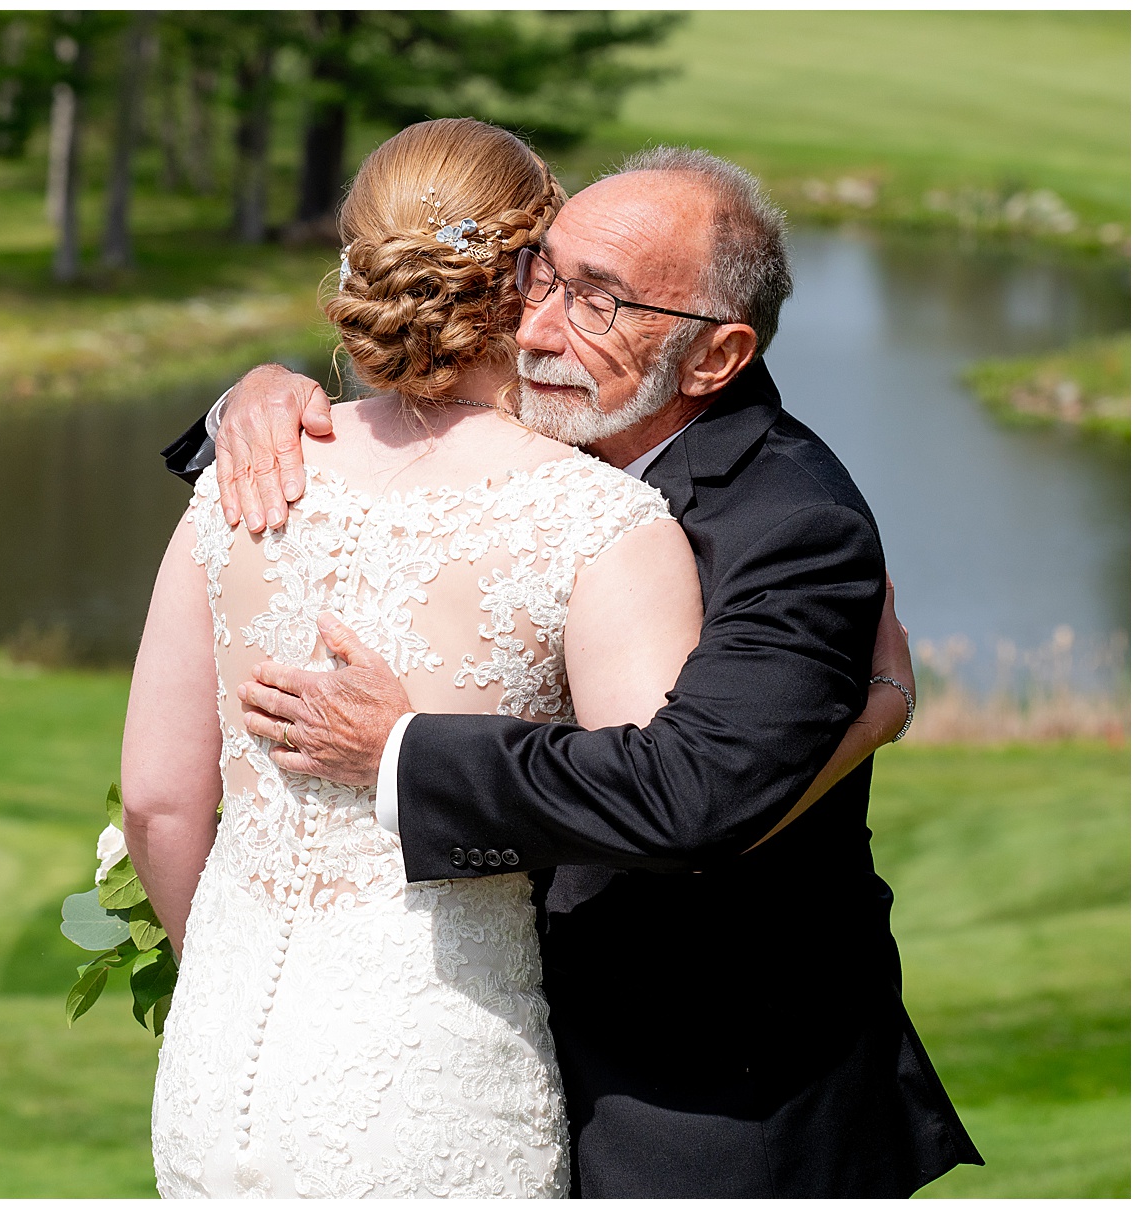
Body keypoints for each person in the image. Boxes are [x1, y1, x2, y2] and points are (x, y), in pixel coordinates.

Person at [167, 147, 983, 1197]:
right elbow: (389, 484)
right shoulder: (573, 429)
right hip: (484, 1046)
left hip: (706, 1103)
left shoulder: (791, 525)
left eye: (599, 304)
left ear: (714, 356)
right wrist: (253, 400)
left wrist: (402, 750)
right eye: (541, 276)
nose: (540, 326)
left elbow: (689, 798)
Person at [123, 119, 708, 1198]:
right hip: (435, 1062)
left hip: (221, 1054)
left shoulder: (240, 485)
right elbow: (663, 817)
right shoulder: (602, 523)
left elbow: (159, 805)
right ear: (535, 277)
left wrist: (216, 968)